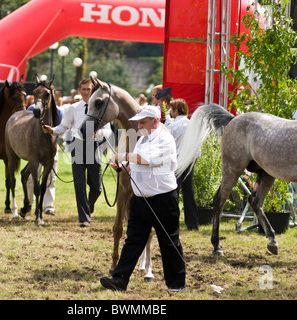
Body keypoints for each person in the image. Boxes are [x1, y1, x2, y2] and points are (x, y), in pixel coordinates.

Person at [100, 105, 186, 292]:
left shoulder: (164, 139)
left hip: (163, 199)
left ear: (155, 120)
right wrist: (123, 165)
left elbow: (148, 160)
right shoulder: (143, 140)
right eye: (138, 121)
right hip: (140, 199)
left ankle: (177, 284)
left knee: (169, 242)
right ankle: (119, 280)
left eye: (142, 121)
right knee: (133, 240)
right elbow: (138, 164)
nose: (138, 125)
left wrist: (122, 156)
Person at [42, 78, 112, 227]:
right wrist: (53, 130)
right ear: (79, 91)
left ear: (92, 90)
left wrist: (98, 134)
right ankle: (84, 218)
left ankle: (89, 205)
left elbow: (108, 131)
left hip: (94, 147)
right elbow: (64, 126)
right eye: (84, 89)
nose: (86, 92)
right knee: (79, 185)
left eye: (89, 89)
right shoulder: (73, 108)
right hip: (77, 146)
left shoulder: (100, 107)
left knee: (96, 186)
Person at [169, 98, 199, 230]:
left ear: (176, 111)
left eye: (171, 109)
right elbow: (197, 146)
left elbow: (169, 146)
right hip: (189, 159)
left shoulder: (173, 126)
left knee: (173, 192)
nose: (170, 111)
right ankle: (192, 223)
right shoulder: (192, 125)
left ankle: (173, 221)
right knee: (188, 192)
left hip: (177, 159)